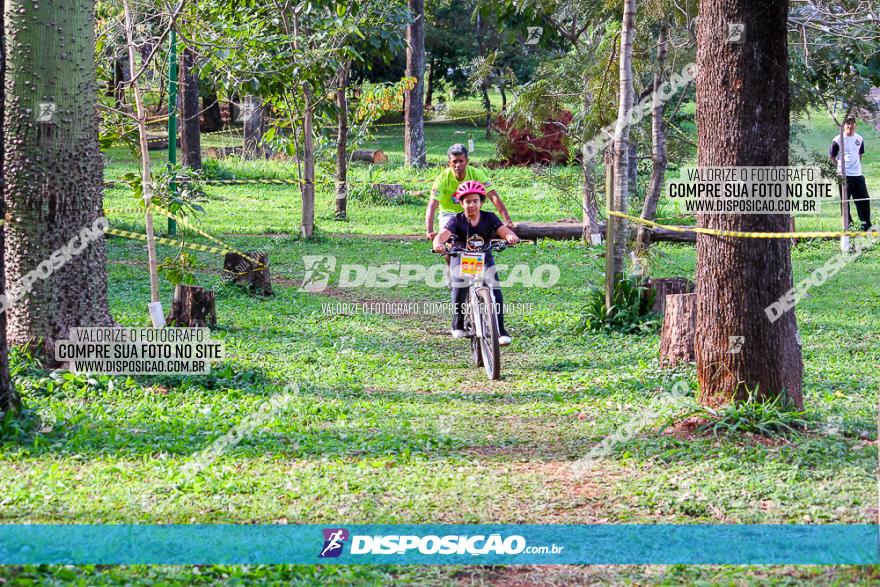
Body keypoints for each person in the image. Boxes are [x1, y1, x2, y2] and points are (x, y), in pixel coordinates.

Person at [432, 181, 520, 345]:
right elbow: (442, 235)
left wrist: (510, 237)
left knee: (495, 289)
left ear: (481, 202)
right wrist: (438, 244)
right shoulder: (456, 220)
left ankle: (500, 329)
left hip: (484, 255)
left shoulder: (489, 217)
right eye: (467, 202)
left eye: (475, 201)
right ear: (461, 203)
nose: (471, 205)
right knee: (460, 286)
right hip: (461, 256)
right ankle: (458, 322)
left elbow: (504, 231)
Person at [425, 143, 514, 241]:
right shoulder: (442, 179)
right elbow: (432, 205)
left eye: (461, 161)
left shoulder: (477, 174)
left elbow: (493, 196)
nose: (457, 165)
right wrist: (429, 231)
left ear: (467, 161)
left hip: (473, 211)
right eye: (454, 162)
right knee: (448, 242)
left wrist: (508, 221)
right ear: (449, 163)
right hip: (449, 214)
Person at [830, 117, 872, 231]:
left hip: (858, 175)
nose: (850, 126)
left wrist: (856, 165)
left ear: (855, 125)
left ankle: (866, 225)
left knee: (863, 199)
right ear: (844, 126)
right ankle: (848, 226)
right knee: (845, 201)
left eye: (852, 124)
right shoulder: (837, 139)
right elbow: (832, 156)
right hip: (843, 175)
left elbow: (860, 154)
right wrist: (840, 167)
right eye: (848, 124)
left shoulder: (859, 138)